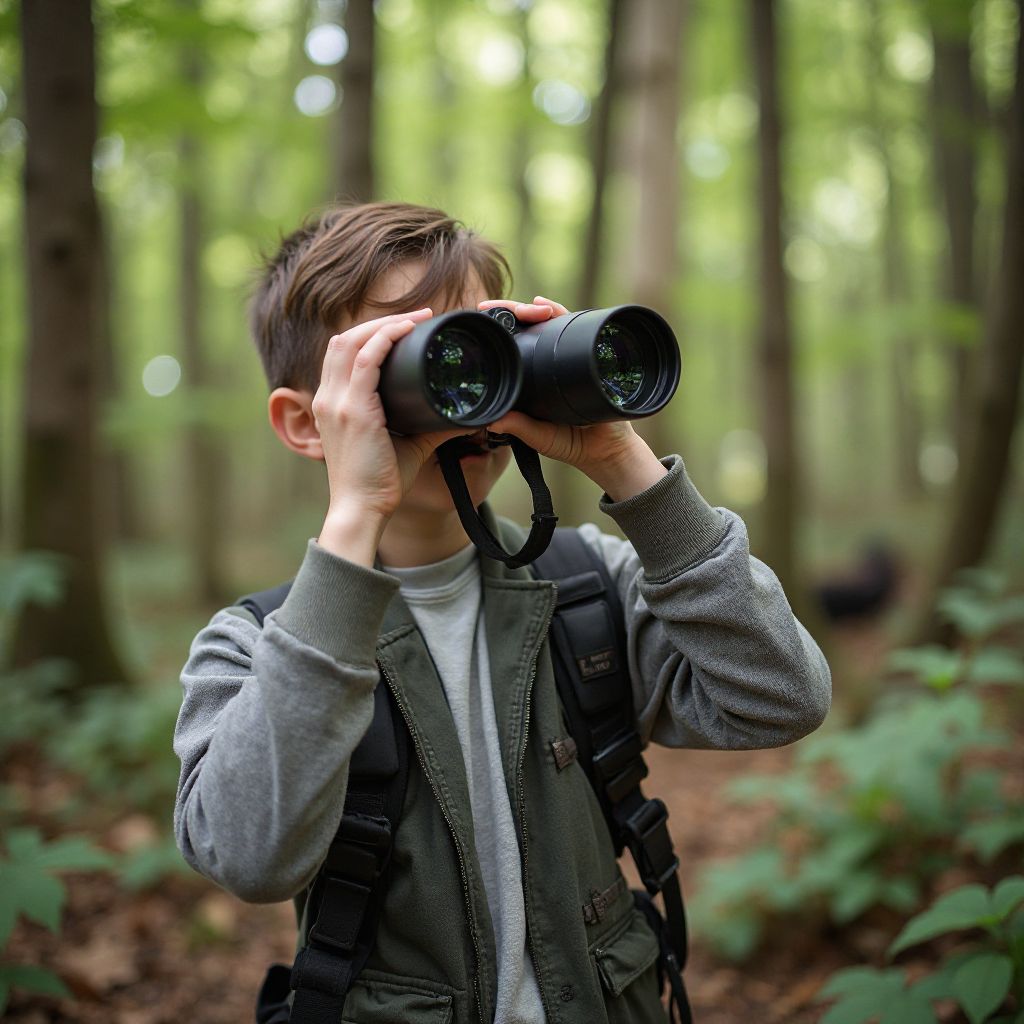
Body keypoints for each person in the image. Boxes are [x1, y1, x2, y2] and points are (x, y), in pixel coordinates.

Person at [173, 201, 831, 1024]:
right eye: (418, 354)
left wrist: (621, 458)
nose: (467, 381)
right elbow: (247, 855)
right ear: (308, 420)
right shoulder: (256, 646)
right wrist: (354, 519)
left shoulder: (589, 584)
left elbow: (781, 697)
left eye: (487, 340)